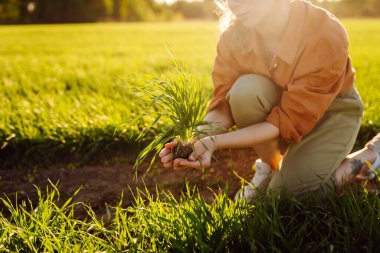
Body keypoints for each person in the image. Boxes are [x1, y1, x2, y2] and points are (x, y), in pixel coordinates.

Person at [159, 0, 364, 201]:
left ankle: (368, 157)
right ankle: (271, 167)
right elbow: (224, 105)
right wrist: (194, 140)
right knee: (244, 92)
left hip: (333, 111)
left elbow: (285, 121)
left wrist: (214, 142)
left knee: (286, 196)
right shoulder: (234, 37)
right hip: (282, 106)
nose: (235, 3)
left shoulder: (324, 32)